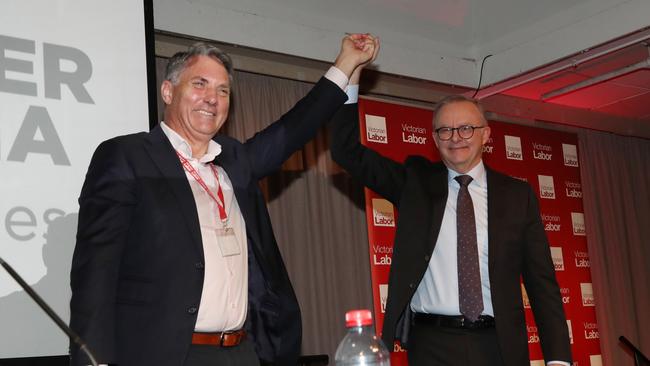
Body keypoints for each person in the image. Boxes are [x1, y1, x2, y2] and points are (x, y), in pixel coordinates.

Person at [69, 34, 378, 366]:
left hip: (242, 351)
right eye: (199, 84)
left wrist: (345, 63)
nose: (212, 99)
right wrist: (92, 360)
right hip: (167, 354)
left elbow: (295, 127)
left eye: (222, 90)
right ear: (168, 91)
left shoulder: (234, 160)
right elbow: (95, 275)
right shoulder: (127, 157)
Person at [330, 67, 572, 365]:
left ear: (486, 134)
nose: (455, 138)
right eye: (445, 130)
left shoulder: (517, 196)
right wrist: (351, 72)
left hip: (499, 346)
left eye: (466, 128)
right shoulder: (414, 183)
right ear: (434, 137)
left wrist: (559, 359)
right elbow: (346, 152)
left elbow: (542, 282)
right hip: (432, 345)